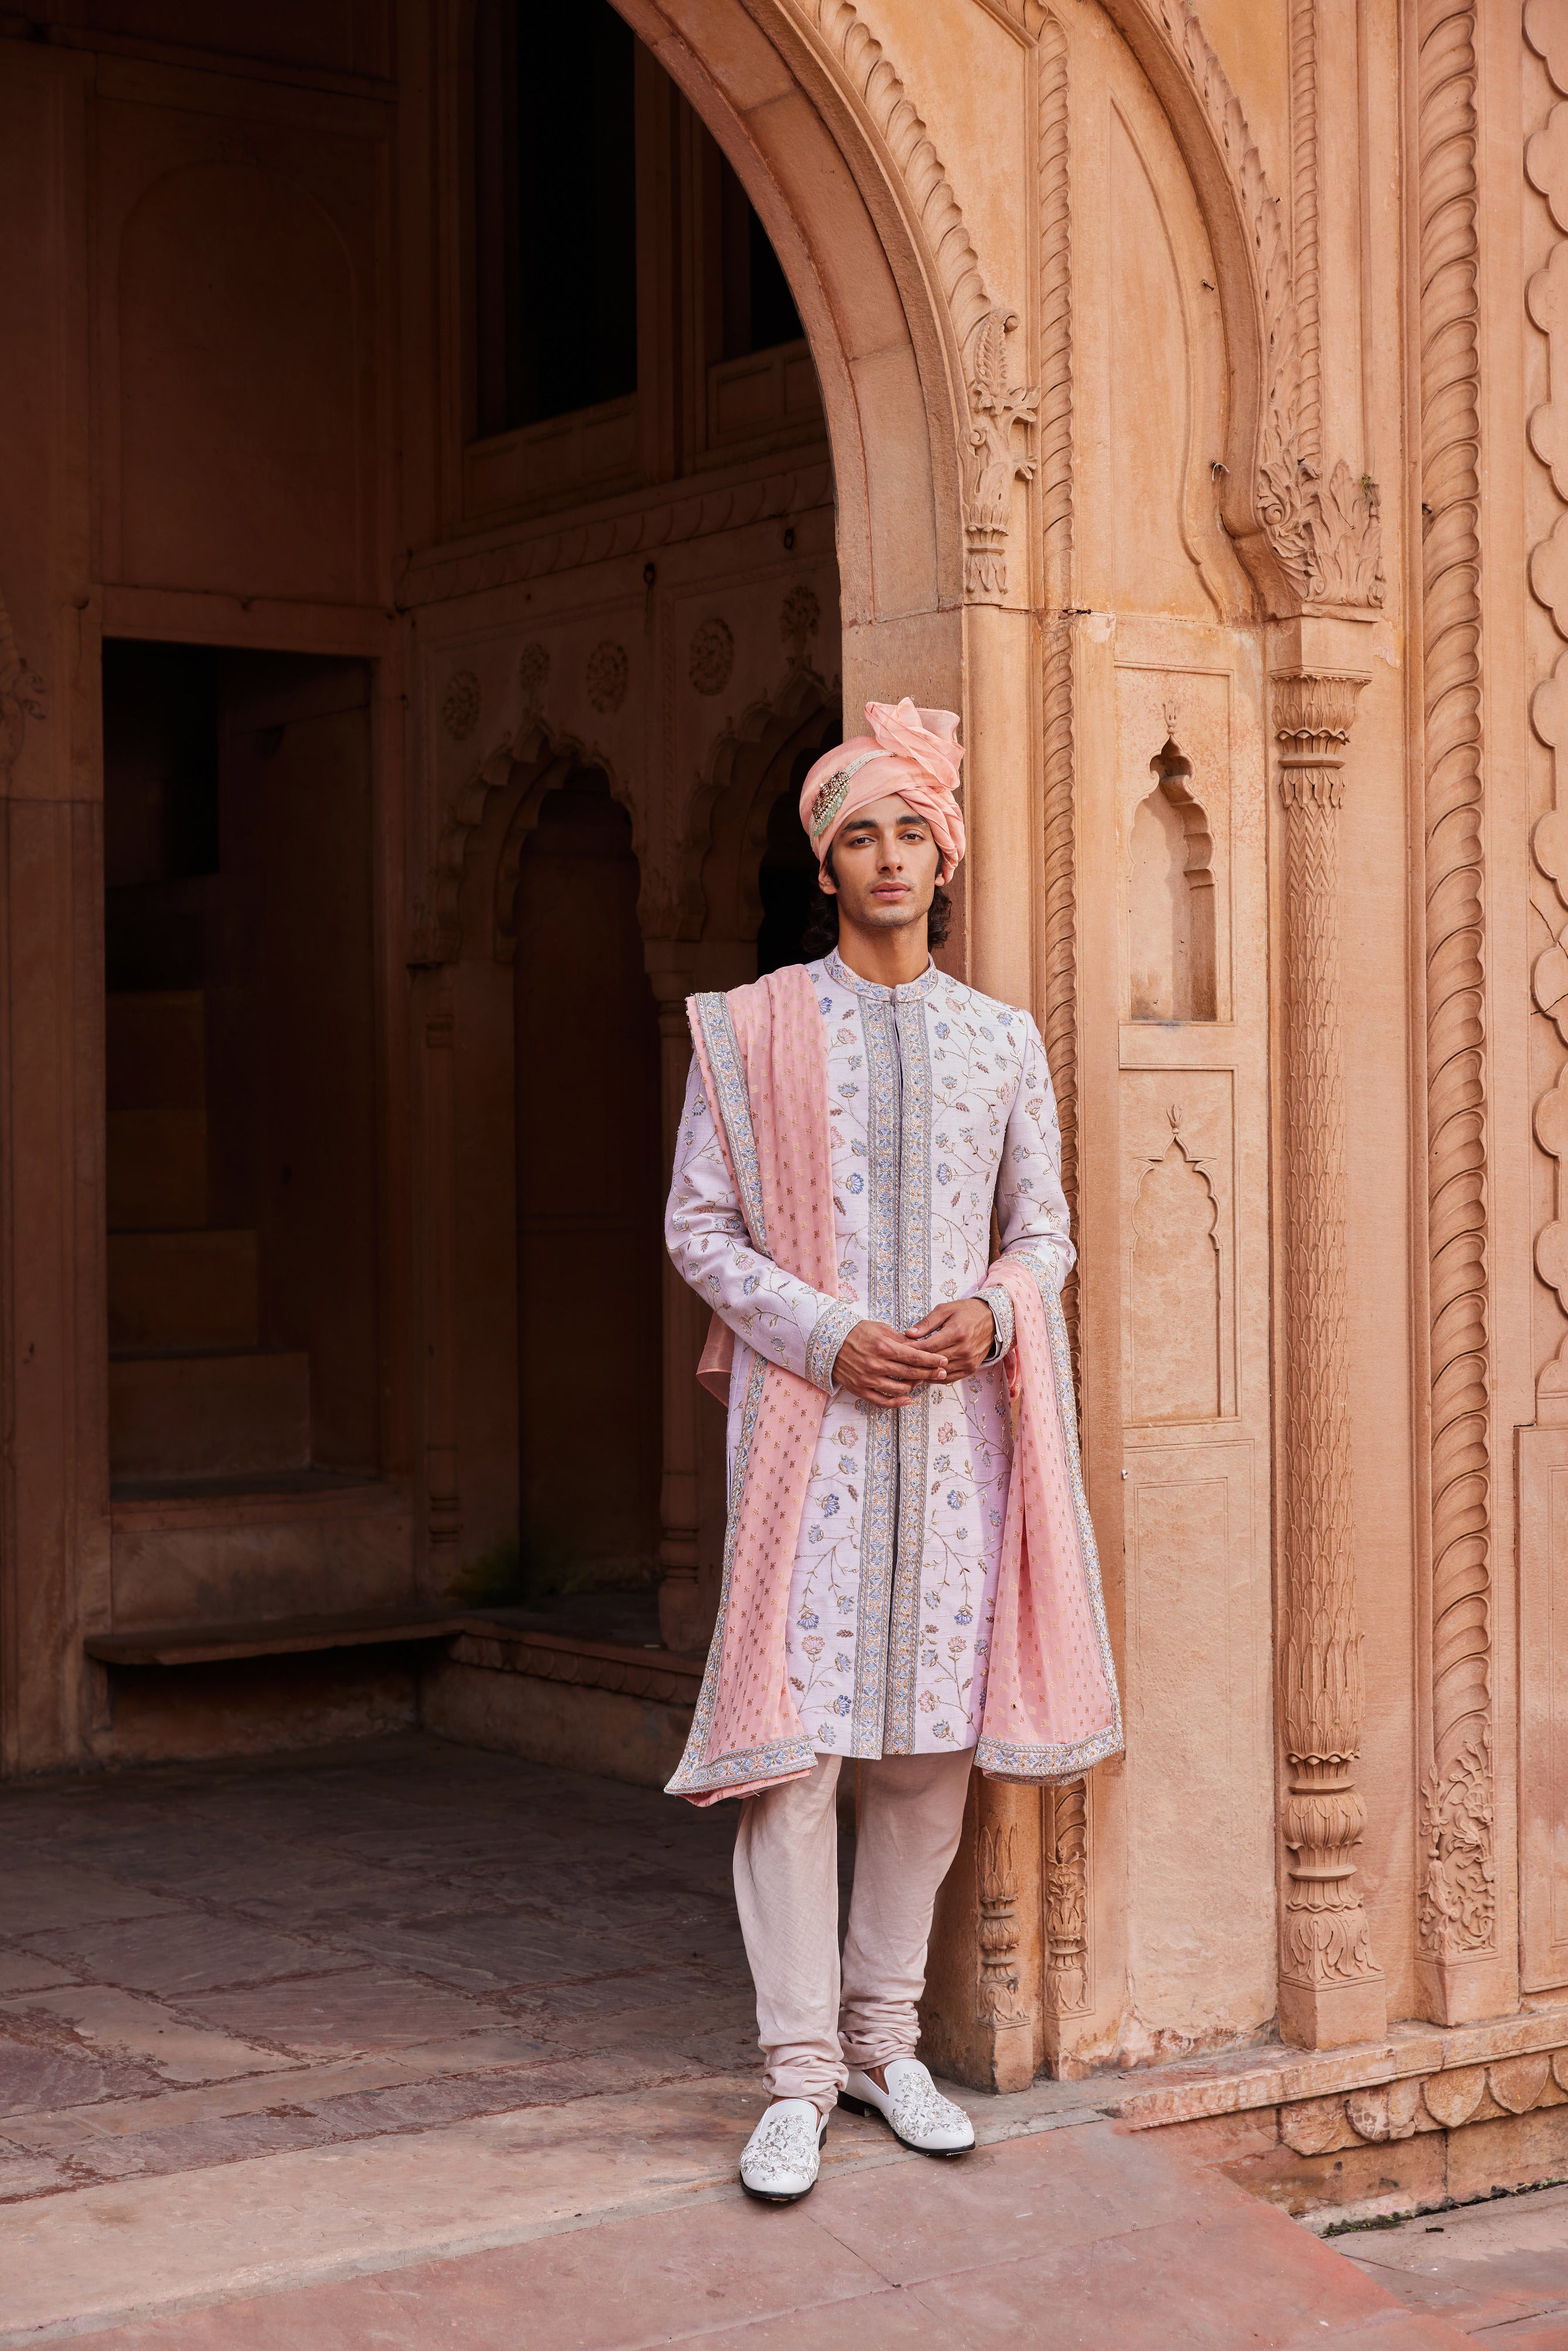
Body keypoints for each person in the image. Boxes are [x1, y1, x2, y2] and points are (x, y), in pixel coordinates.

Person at [664, 699, 1121, 2203]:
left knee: (925, 1752)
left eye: (909, 831)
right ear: (824, 865)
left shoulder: (1001, 1041)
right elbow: (700, 1228)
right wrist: (826, 1333)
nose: (887, 858)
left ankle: (883, 2044)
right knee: (793, 1758)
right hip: (813, 1428)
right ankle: (795, 2074)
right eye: (857, 834)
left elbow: (1044, 1232)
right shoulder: (752, 1031)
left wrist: (993, 1319)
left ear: (946, 855)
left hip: (954, 1437)